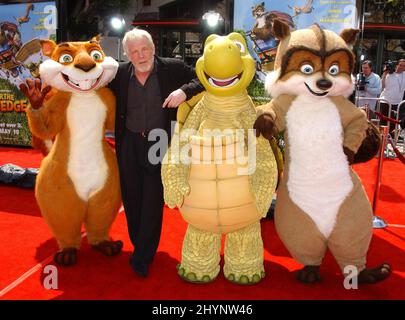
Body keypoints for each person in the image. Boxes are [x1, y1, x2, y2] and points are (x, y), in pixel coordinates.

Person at [108, 28, 204, 277]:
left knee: (152, 199)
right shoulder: (119, 73)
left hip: (159, 141)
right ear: (127, 54)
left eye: (144, 49)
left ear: (153, 48)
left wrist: (184, 91)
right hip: (129, 142)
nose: (140, 56)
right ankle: (139, 244)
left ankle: (143, 255)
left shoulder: (172, 68)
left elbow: (202, 79)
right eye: (134, 51)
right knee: (131, 198)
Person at [379, 58, 405, 134]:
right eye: (400, 65)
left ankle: (391, 141)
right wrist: (384, 73)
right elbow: (382, 86)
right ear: (396, 65)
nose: (401, 67)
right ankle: (382, 139)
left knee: (394, 124)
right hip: (386, 101)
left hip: (397, 103)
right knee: (384, 122)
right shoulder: (388, 74)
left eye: (403, 66)